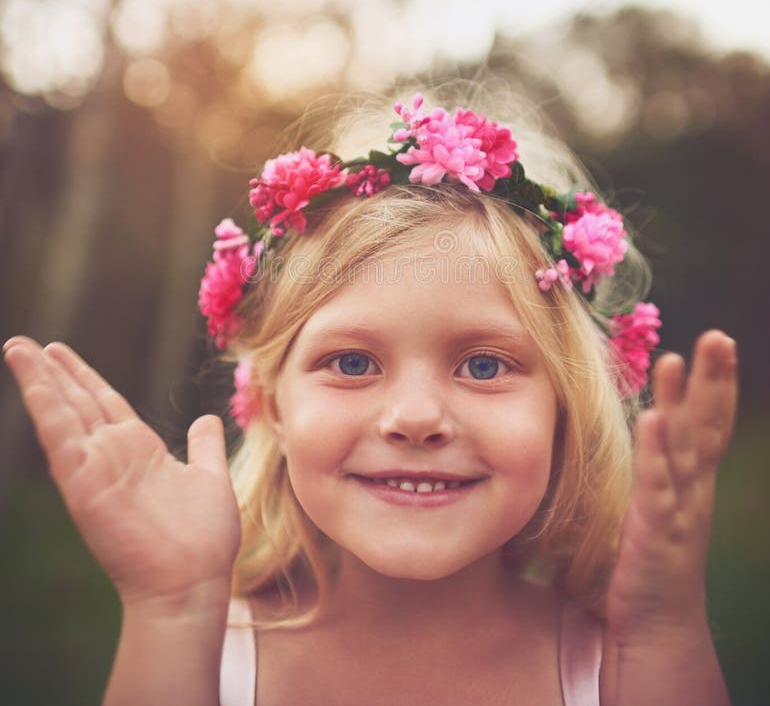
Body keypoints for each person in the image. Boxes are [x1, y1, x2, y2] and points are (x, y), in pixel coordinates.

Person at [4, 87, 737, 706]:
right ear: (274, 402)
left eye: (484, 366)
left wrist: (669, 633)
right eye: (351, 361)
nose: (415, 417)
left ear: (566, 407)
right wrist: (168, 614)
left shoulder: (624, 666)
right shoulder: (201, 656)